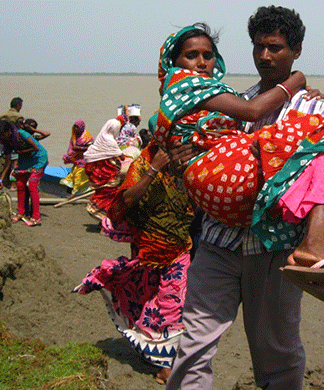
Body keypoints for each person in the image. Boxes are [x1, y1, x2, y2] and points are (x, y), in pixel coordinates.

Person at [165, 8, 324, 390]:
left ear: (296, 51)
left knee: (278, 353)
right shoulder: (235, 103)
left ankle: (316, 244)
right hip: (217, 243)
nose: (264, 56)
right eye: (258, 46)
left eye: (275, 47)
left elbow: (319, 175)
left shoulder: (314, 109)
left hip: (272, 251)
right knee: (192, 346)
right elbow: (207, 164)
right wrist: (184, 162)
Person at [74, 141, 195, 384]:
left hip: (180, 249)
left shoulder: (190, 163)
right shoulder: (143, 164)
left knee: (172, 307)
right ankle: (155, 352)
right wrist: (154, 169)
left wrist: (185, 170)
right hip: (147, 251)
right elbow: (122, 204)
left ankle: (166, 365)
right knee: (147, 301)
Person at [83, 111, 140, 221]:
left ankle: (101, 218)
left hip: (97, 177)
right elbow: (122, 158)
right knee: (109, 197)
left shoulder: (99, 140)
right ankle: (105, 222)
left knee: (101, 194)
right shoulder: (111, 142)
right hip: (107, 178)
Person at [0, 120, 49, 226]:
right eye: (2, 135)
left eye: (5, 134)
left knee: (32, 185)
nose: (4, 137)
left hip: (38, 158)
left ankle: (36, 217)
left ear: (9, 131)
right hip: (24, 161)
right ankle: (21, 213)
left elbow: (36, 147)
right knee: (20, 184)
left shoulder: (21, 134)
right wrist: (1, 179)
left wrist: (21, 152)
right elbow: (8, 161)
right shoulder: (6, 141)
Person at [60, 120, 94, 197]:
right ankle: (74, 192)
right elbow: (72, 148)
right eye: (74, 127)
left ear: (81, 128)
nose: (75, 129)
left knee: (79, 177)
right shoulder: (74, 137)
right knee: (72, 176)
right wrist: (69, 156)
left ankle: (73, 194)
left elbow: (91, 148)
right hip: (77, 160)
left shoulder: (87, 137)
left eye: (77, 127)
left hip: (84, 160)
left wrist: (79, 148)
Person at [0, 97, 25, 191]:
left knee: (7, 161)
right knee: (15, 163)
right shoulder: (18, 116)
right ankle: (13, 185)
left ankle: (6, 181)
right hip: (14, 141)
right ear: (18, 106)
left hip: (3, 141)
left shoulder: (2, 116)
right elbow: (22, 129)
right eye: (21, 105)